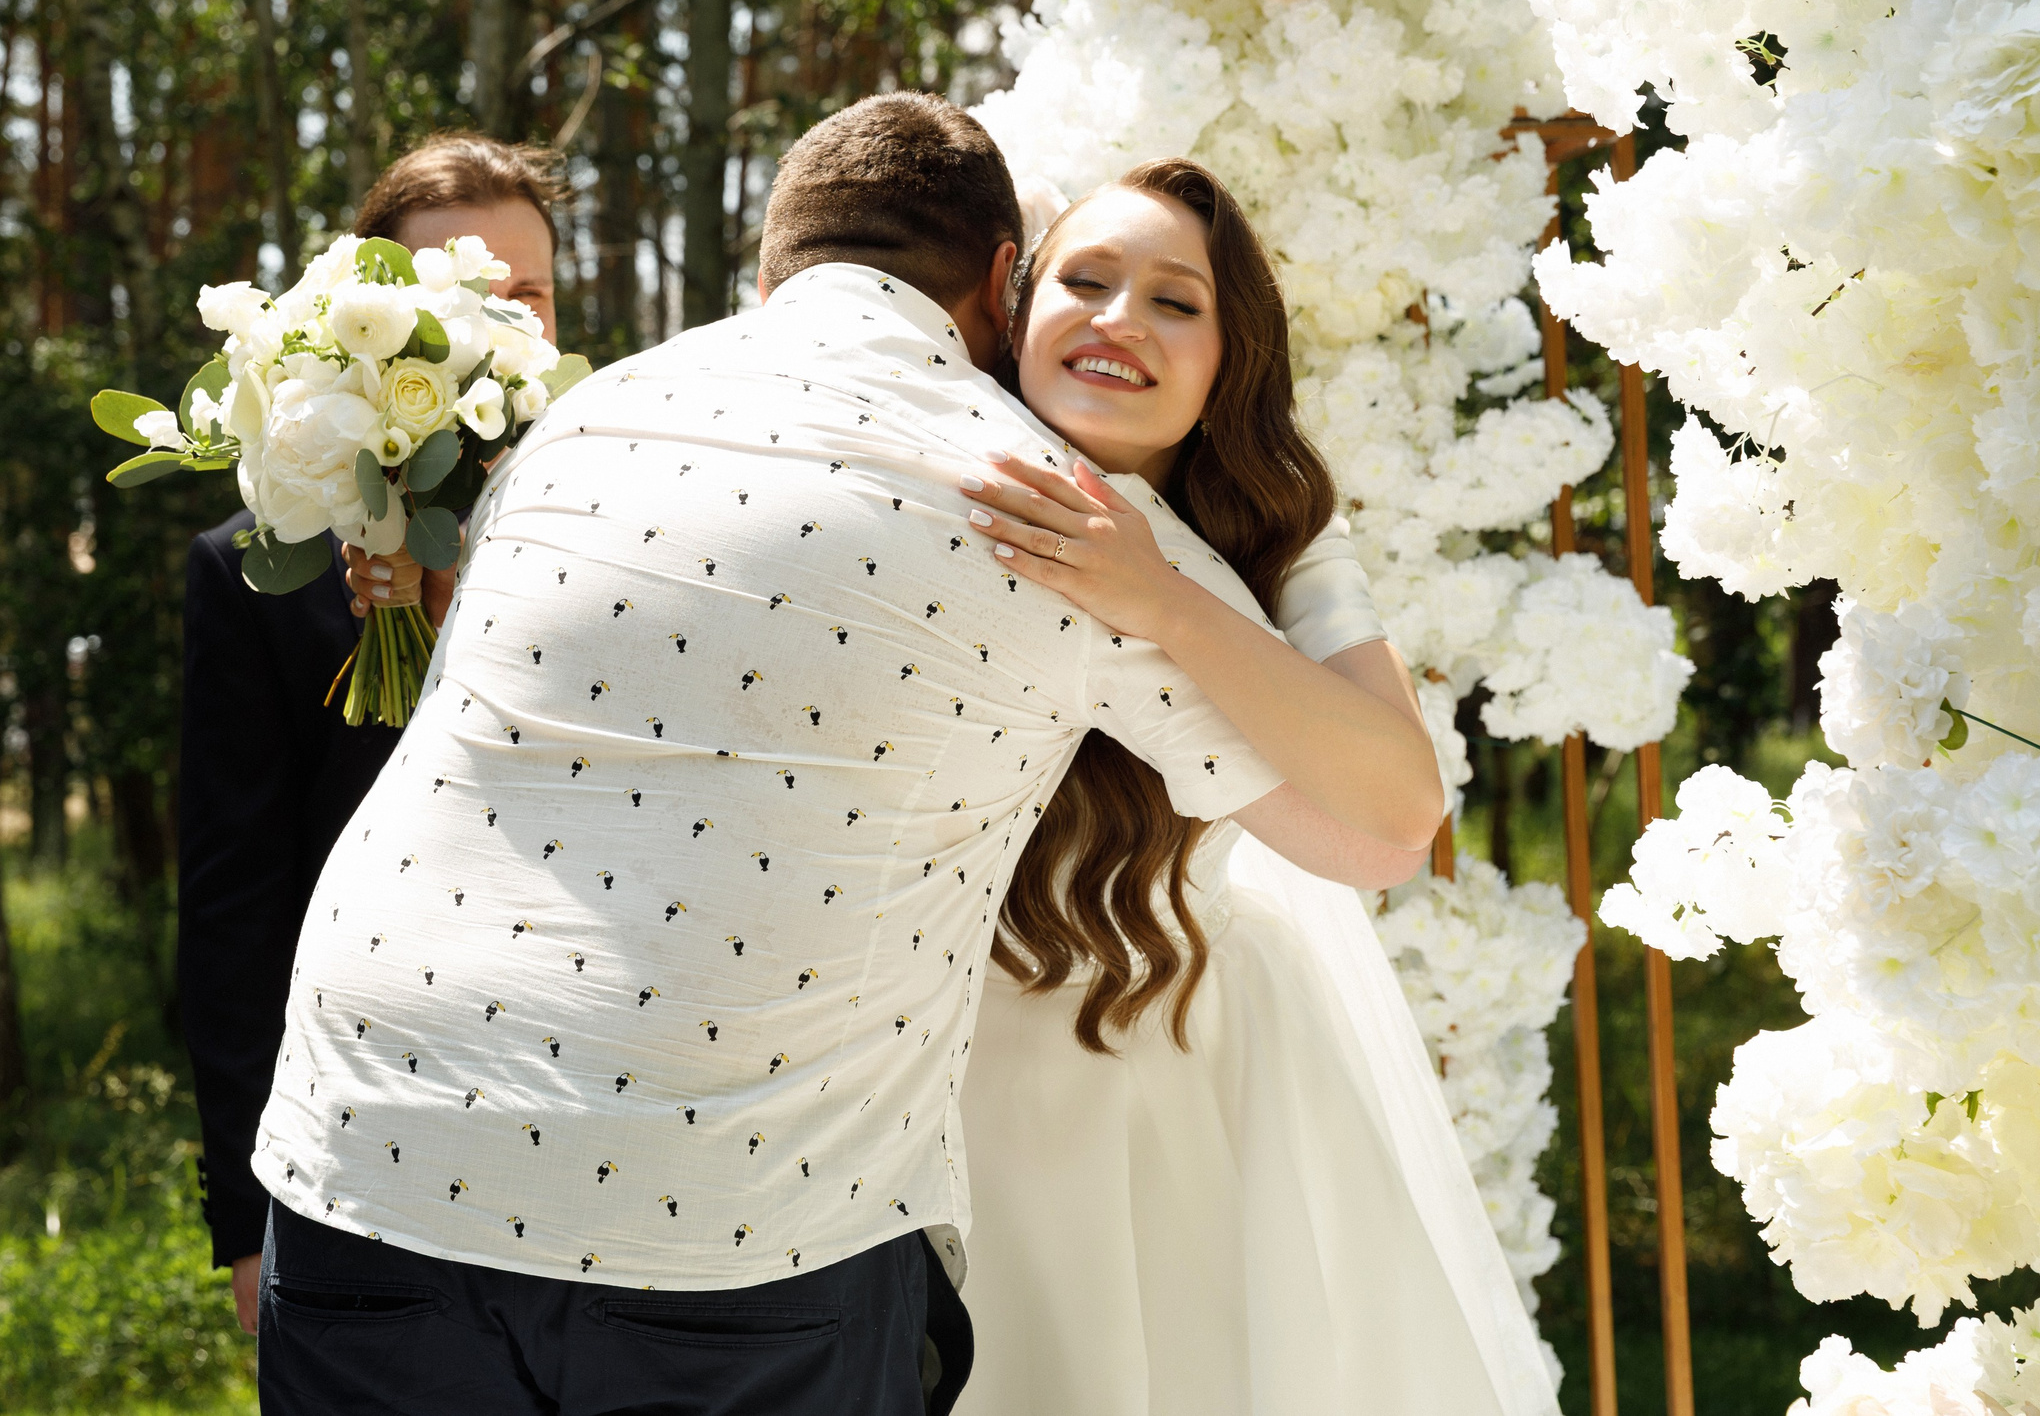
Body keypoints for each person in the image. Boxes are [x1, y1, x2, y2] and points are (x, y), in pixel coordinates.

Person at [244, 94, 1439, 1416]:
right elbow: (1377, 834)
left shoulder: (589, 415)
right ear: (1004, 285)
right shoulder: (1058, 511)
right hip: (721, 1211)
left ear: (771, 271)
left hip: (368, 1140)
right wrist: (1181, 593)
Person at [945, 160, 1560, 1415]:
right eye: (1086, 281)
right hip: (942, 1057)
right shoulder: (931, 478)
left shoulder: (1280, 530)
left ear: (1229, 360)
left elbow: (1395, 816)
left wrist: (1162, 598)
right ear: (1016, 311)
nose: (1121, 319)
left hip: (1174, 1040)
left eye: (1176, 302)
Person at [175, 132, 564, 1337]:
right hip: (359, 1134)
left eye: (530, 296)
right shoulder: (257, 571)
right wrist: (246, 1215)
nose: (504, 326)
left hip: (587, 1122)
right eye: (463, 300)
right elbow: (236, 903)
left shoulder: (624, 534)